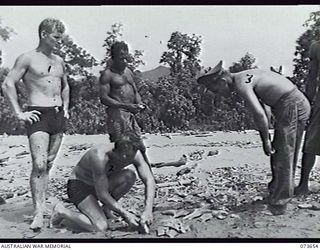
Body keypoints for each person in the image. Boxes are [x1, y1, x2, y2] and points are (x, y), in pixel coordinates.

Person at [197, 61, 310, 215]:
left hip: (292, 103)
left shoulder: (242, 83)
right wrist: (269, 138)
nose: (217, 94)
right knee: (279, 150)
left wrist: (265, 140)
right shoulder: (244, 77)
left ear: (223, 82)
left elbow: (259, 114)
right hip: (288, 103)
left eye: (215, 89)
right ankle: (276, 189)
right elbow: (266, 108)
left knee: (285, 152)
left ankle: (280, 203)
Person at [2, 18, 70, 230]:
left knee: (48, 164)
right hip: (38, 114)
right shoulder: (27, 58)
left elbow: (65, 85)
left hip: (58, 116)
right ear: (43, 34)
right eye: (56, 37)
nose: (60, 41)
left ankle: (42, 204)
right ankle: (38, 213)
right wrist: (18, 113)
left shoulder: (59, 61)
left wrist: (66, 107)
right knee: (39, 164)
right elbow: (7, 83)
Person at [50, 134, 156, 233]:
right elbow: (102, 194)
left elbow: (149, 180)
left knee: (129, 176)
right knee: (100, 227)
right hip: (80, 186)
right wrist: (126, 215)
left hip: (103, 183)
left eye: (130, 156)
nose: (127, 159)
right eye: (125, 156)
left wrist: (148, 210)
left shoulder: (134, 153)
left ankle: (106, 209)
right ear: (118, 151)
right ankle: (62, 211)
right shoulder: (99, 157)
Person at [99, 41, 151, 168]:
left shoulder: (128, 71)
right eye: (121, 58)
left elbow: (135, 90)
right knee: (120, 148)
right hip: (116, 115)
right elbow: (104, 98)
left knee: (140, 146)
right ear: (113, 58)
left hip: (130, 115)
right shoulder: (107, 74)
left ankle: (149, 174)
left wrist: (139, 103)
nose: (124, 61)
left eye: (126, 57)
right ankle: (110, 175)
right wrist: (126, 106)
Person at [295, 41, 320, 195]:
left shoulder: (316, 46)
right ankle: (303, 184)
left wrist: (308, 103)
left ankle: (303, 185)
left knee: (311, 142)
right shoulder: (317, 46)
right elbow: (312, 78)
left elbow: (312, 78)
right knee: (311, 142)